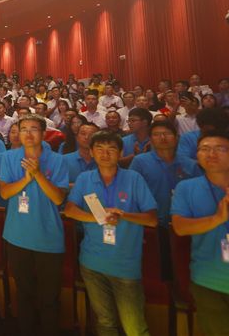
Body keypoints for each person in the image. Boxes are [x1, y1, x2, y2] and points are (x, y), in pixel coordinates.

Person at [65, 131, 158, 336]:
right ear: (91, 152)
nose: (105, 154)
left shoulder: (133, 178)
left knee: (134, 326)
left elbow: (152, 219)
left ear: (121, 153)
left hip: (125, 264)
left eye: (111, 149)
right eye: (99, 149)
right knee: (105, 322)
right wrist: (99, 217)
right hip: (91, 262)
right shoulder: (84, 178)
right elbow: (70, 210)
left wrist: (123, 215)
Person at [171, 131, 229, 336]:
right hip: (208, 281)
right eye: (204, 149)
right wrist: (217, 219)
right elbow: (180, 227)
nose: (211, 154)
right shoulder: (186, 188)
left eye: (220, 149)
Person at [0, 114, 68, 336]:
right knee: (24, 293)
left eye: (33, 128)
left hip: (48, 238)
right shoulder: (9, 157)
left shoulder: (57, 160)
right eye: (23, 129)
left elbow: (58, 198)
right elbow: (5, 192)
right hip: (17, 235)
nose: (28, 133)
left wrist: (37, 174)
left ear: (44, 133)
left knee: (49, 298)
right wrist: (26, 179)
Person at [130, 121, 200, 226]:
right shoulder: (139, 162)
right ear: (150, 140)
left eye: (167, 134)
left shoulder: (190, 164)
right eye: (156, 134)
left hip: (184, 221)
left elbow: (198, 194)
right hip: (152, 222)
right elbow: (132, 191)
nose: (162, 138)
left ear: (177, 138)